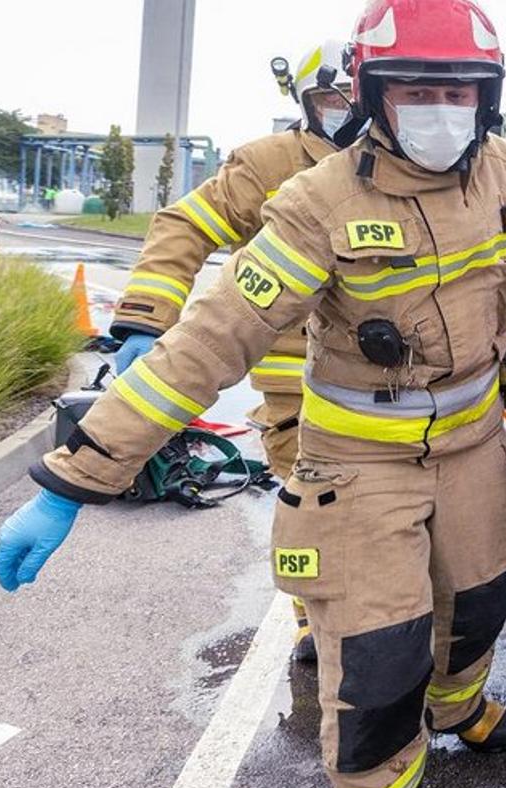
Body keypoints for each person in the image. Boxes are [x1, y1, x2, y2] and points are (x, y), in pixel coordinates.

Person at [0, 3, 506, 788]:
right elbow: (212, 339)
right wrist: (75, 475)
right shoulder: (317, 201)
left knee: (480, 602)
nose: (441, 109)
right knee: (379, 661)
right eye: (418, 89)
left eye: (462, 92)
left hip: (471, 451)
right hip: (359, 468)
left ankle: (458, 707)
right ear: (373, 92)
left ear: (487, 97)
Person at [107, 39, 359, 666]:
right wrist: (145, 317)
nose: (346, 108)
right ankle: (309, 615)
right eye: (331, 97)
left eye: (356, 95)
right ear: (306, 102)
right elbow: (188, 223)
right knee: (308, 507)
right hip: (294, 386)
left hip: (382, 386)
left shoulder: (402, 163)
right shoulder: (270, 163)